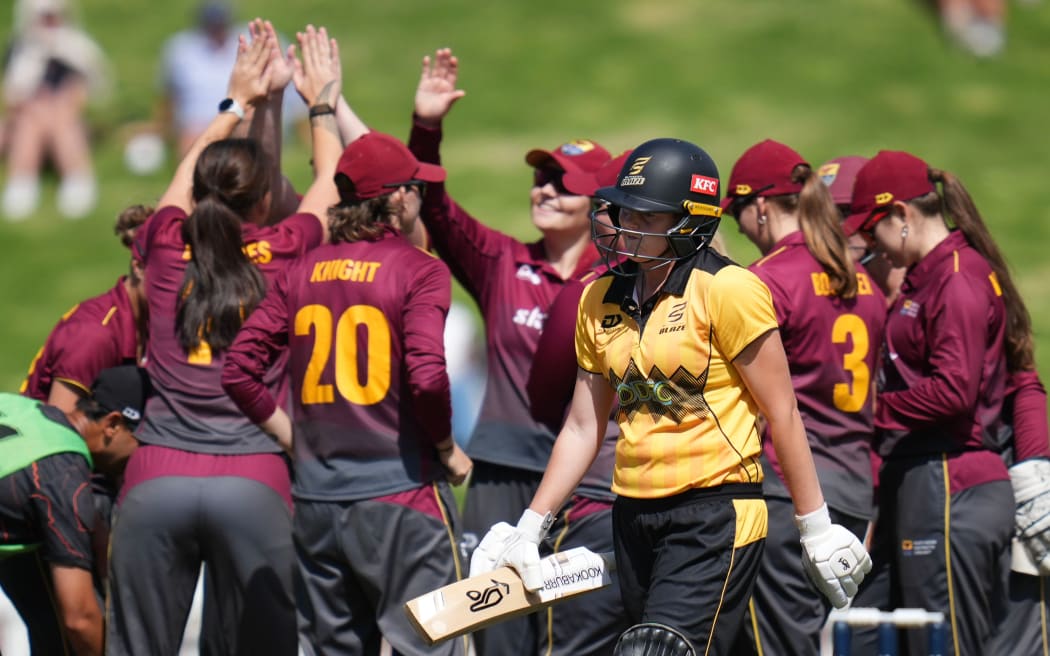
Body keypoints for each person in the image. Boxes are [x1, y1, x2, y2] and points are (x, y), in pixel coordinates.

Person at [470, 137, 871, 655]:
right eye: (622, 210)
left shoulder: (730, 289)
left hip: (716, 512)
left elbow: (783, 412)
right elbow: (582, 426)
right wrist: (529, 527)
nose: (625, 224)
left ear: (691, 221)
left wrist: (815, 527)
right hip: (631, 512)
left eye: (646, 215)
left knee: (655, 650)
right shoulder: (598, 297)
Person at [104, 25, 342, 655]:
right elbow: (331, 187)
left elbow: (181, 184)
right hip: (255, 480)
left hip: (155, 477)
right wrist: (318, 101)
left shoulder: (162, 244)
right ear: (262, 200)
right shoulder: (279, 253)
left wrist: (234, 104)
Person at [222, 129, 473, 655]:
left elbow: (239, 368)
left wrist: (295, 440)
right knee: (431, 645)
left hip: (316, 503)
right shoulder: (420, 270)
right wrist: (447, 449)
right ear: (399, 197)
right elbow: (427, 377)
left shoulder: (300, 271)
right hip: (402, 497)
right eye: (416, 189)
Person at [408, 47, 612, 654]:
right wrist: (427, 126)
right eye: (539, 179)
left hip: (582, 486)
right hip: (498, 479)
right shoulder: (503, 261)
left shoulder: (621, 281)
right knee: (496, 638)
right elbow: (435, 209)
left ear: (599, 205)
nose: (543, 190)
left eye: (562, 184)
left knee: (571, 638)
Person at [843, 149, 1019, 655]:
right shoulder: (931, 274)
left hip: (951, 478)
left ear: (901, 214)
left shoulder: (958, 277)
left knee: (945, 645)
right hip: (929, 478)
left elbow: (954, 390)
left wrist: (867, 411)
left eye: (870, 227)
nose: (869, 244)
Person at [717, 140, 887, 654]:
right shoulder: (863, 283)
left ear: (762, 207)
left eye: (740, 214)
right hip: (854, 494)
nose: (742, 229)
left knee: (774, 644)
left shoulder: (765, 282)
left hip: (785, 494)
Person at [520, 151, 633, 656]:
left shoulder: (587, 292)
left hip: (599, 503)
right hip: (697, 509)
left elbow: (547, 400)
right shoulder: (728, 282)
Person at [0, 365, 147, 656]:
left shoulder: (26, 409)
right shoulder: (64, 475)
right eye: (142, 443)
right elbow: (79, 619)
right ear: (113, 425)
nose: (142, 456)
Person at [21, 204, 151, 411]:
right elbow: (61, 432)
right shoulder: (93, 335)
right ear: (140, 268)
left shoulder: (156, 322)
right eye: (172, 274)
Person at [1, 0, 110, 221]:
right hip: (27, 118)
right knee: (33, 119)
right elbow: (12, 95)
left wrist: (61, 102)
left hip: (68, 119)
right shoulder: (19, 49)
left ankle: (64, 178)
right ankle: (32, 180)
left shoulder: (77, 48)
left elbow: (92, 92)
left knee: (57, 117)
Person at [158, 1, 307, 157]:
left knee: (248, 128)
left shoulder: (252, 39)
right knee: (191, 141)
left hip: (247, 116)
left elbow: (291, 100)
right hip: (198, 123)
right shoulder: (181, 47)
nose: (217, 28)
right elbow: (169, 97)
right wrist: (165, 130)